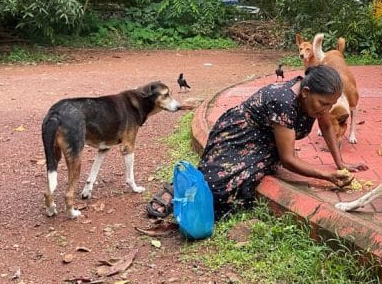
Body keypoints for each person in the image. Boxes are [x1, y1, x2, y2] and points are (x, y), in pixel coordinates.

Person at [147, 64, 367, 219]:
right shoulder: (284, 101)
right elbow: (288, 160)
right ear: (306, 92)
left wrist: (340, 164)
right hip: (238, 135)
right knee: (219, 184)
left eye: (331, 104)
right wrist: (327, 175)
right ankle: (176, 190)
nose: (327, 110)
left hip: (265, 140)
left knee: (244, 182)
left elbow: (327, 126)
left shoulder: (316, 99)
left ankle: (193, 193)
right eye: (324, 104)